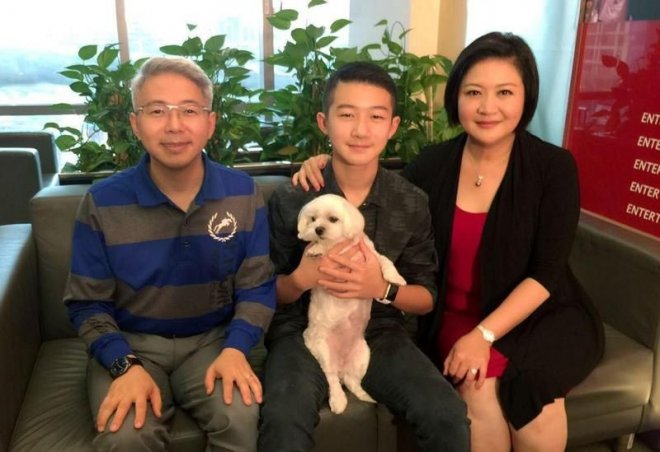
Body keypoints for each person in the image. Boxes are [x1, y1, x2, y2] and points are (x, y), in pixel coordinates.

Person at [292, 33, 604, 451]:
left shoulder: (554, 167)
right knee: (478, 388)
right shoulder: (432, 165)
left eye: (505, 92)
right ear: (456, 97)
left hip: (538, 314)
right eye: (474, 92)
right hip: (455, 314)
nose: (487, 107)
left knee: (533, 397)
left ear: (526, 97)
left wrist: (484, 336)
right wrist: (326, 162)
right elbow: (372, 188)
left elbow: (547, 272)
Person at [64, 56, 276, 452]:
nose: (174, 125)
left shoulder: (243, 193)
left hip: (214, 341)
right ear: (135, 124)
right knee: (126, 434)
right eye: (157, 111)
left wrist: (236, 348)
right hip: (132, 343)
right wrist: (123, 364)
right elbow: (86, 303)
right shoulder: (101, 202)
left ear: (210, 123)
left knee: (240, 417)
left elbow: (257, 287)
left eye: (189, 110)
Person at [259, 61, 470, 452]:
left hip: (380, 329)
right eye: (346, 115)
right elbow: (263, 293)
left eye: (375, 116)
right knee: (284, 419)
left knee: (446, 414)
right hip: (301, 330)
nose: (360, 130)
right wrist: (301, 279)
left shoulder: (410, 201)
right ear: (324, 122)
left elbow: (425, 297)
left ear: (392, 126)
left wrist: (381, 287)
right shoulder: (293, 198)